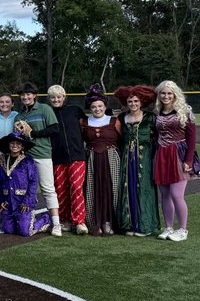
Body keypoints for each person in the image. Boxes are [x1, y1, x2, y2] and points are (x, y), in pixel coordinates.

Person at [14, 83, 63, 236]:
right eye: (22, 95)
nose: (25, 97)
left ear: (34, 95)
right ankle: (29, 220)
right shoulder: (19, 115)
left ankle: (56, 224)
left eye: (28, 94)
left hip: (42, 154)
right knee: (27, 191)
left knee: (48, 189)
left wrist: (33, 133)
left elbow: (55, 129)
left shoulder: (44, 109)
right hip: (25, 157)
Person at [153, 80, 198, 242]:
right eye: (163, 93)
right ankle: (169, 227)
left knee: (176, 195)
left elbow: (192, 139)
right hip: (162, 154)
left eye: (169, 93)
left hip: (178, 154)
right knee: (164, 194)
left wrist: (189, 160)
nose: (166, 96)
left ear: (175, 95)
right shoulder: (157, 112)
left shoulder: (185, 111)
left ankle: (182, 229)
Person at [115, 85, 160, 237]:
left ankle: (144, 225)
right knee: (127, 188)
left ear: (141, 102)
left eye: (136, 101)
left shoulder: (150, 118)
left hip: (145, 158)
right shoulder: (122, 118)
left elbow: (157, 137)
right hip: (127, 158)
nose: (133, 104)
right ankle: (129, 224)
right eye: (130, 101)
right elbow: (120, 137)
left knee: (144, 188)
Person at [47, 84, 88, 235]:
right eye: (52, 97)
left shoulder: (75, 110)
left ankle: (79, 221)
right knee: (61, 190)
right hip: (57, 157)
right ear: (49, 99)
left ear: (64, 97)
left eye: (59, 97)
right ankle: (64, 220)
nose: (56, 100)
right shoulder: (48, 112)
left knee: (76, 188)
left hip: (77, 156)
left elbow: (86, 128)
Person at [82, 86, 122, 236]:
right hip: (92, 159)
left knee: (111, 190)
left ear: (105, 106)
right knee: (93, 190)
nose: (97, 109)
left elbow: (123, 140)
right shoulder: (84, 122)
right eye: (93, 106)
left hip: (111, 159)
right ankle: (95, 222)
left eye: (100, 106)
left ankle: (109, 222)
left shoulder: (114, 121)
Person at [0, 131, 52, 236]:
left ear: (22, 146)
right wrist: (1, 200)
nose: (15, 146)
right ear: (8, 145)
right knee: (8, 230)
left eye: (18, 144)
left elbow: (33, 181)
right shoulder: (2, 161)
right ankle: (21, 222)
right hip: (8, 202)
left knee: (26, 232)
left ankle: (45, 219)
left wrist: (27, 201)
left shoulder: (28, 161)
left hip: (22, 202)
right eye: (12, 143)